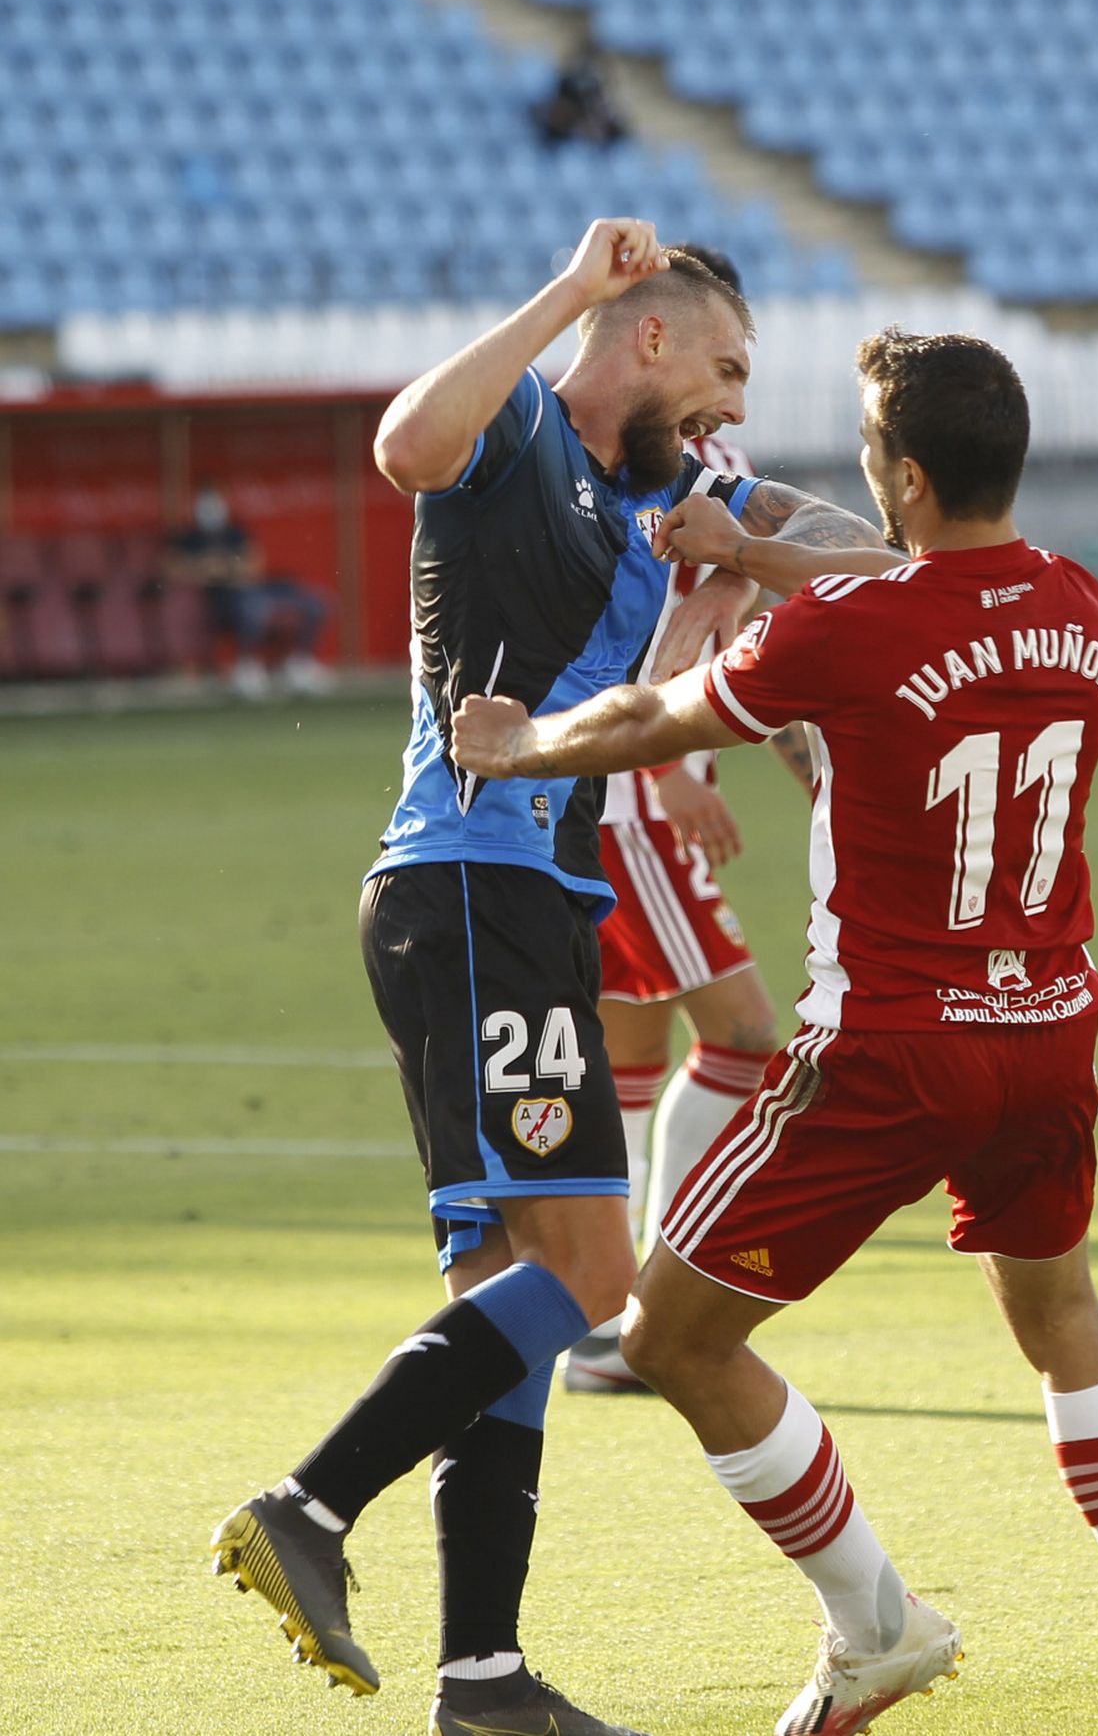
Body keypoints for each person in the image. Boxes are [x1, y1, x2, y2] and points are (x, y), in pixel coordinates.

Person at [451, 327, 1098, 1736]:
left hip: (890, 1050)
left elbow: (651, 714)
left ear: (909, 475)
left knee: (677, 1336)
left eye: (874, 456)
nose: (864, 478)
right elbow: (932, 595)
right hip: (1051, 1029)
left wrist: (522, 745)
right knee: (1062, 1314)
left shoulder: (852, 629)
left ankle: (877, 1619)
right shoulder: (1082, 602)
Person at [210, 220, 889, 1736]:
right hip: (476, 882)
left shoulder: (674, 489)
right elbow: (403, 441)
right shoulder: (520, 426)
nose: (733, 406)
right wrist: (573, 289)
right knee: (590, 1276)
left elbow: (871, 557)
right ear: (647, 336)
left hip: (502, 902)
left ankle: (483, 1677)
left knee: (494, 1301)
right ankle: (310, 1505)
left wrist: (747, 550)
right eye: (723, 366)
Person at [572, 242, 811, 1396]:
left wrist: (779, 746)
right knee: (745, 1036)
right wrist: (668, 765)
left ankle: (597, 1306)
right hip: (627, 793)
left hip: (637, 781)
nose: (739, 388)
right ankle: (647, 1311)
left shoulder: (709, 450)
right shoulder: (631, 450)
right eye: (728, 358)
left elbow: (731, 603)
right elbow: (662, 615)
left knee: (632, 1050)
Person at [163, 480, 330, 698]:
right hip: (222, 600)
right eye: (205, 502)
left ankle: (299, 664)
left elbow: (253, 566)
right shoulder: (187, 536)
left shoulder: (235, 532)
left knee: (314, 603)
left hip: (252, 588)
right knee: (255, 606)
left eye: (215, 502)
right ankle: (247, 667)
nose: (211, 508)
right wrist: (209, 569)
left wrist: (223, 567)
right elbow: (169, 568)